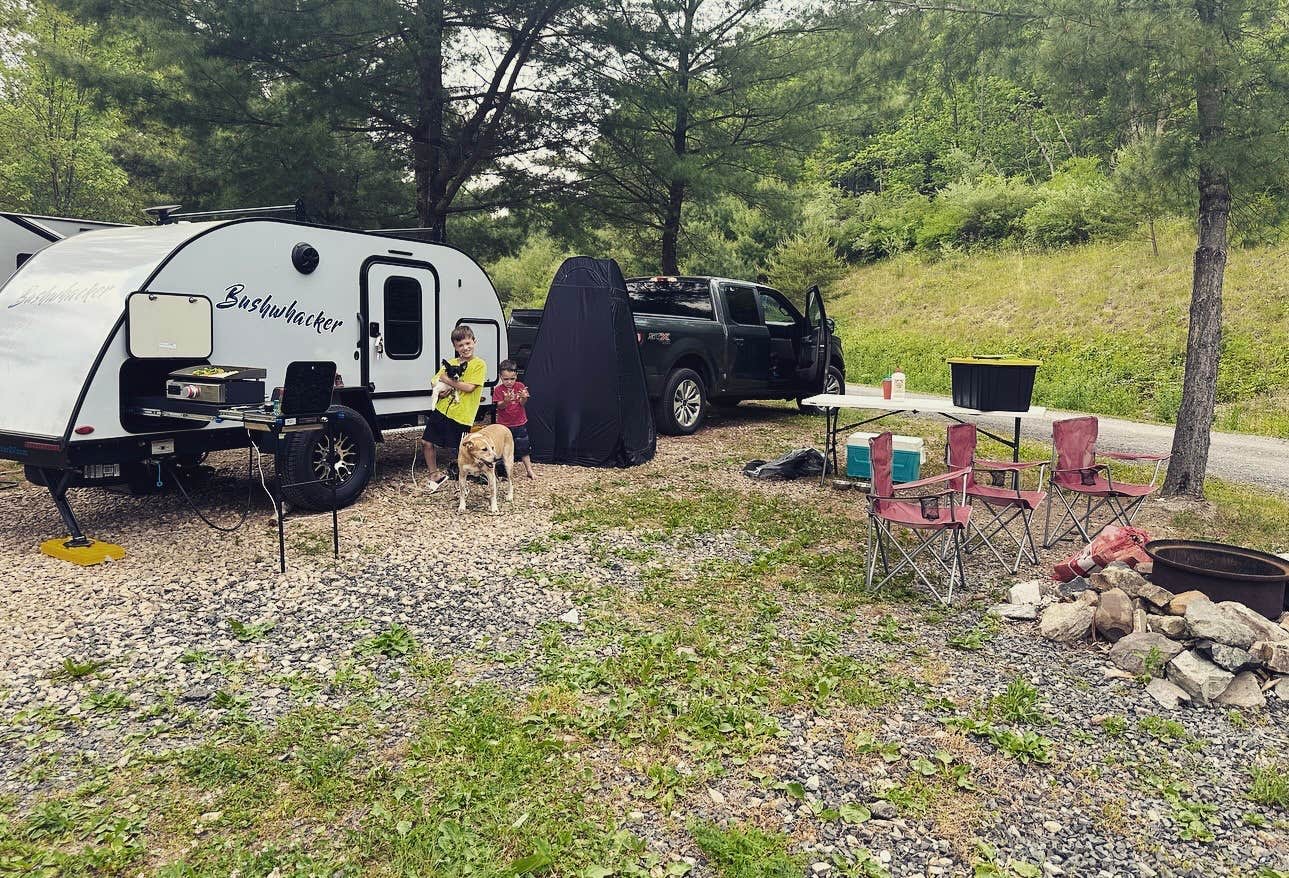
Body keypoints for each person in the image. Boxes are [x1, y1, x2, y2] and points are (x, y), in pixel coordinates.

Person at [421, 326, 486, 491]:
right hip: (442, 410)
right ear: (455, 347)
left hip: (462, 414)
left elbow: (469, 387)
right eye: (460, 345)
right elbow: (435, 380)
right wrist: (441, 391)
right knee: (426, 441)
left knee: (461, 450)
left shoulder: (479, 364)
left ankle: (473, 475)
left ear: (474, 342)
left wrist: (447, 380)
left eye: (467, 343)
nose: (465, 348)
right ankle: (434, 475)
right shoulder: (451, 363)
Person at [493, 359, 536, 479]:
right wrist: (506, 401)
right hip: (503, 425)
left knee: (524, 447)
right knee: (501, 449)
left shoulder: (520, 386)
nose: (509, 382)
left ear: (516, 376)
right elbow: (499, 406)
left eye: (512, 378)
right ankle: (503, 472)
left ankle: (529, 470)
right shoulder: (498, 390)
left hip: (519, 422)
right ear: (500, 377)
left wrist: (523, 397)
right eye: (506, 379)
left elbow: (522, 403)